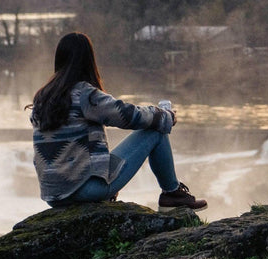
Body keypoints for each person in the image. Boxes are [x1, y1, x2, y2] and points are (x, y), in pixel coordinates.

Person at [26, 31, 207, 211]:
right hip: (86, 191)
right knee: (155, 130)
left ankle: (170, 193)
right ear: (88, 60)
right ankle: (172, 193)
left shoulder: (43, 97)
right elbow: (128, 115)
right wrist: (166, 116)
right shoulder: (85, 95)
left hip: (53, 196)